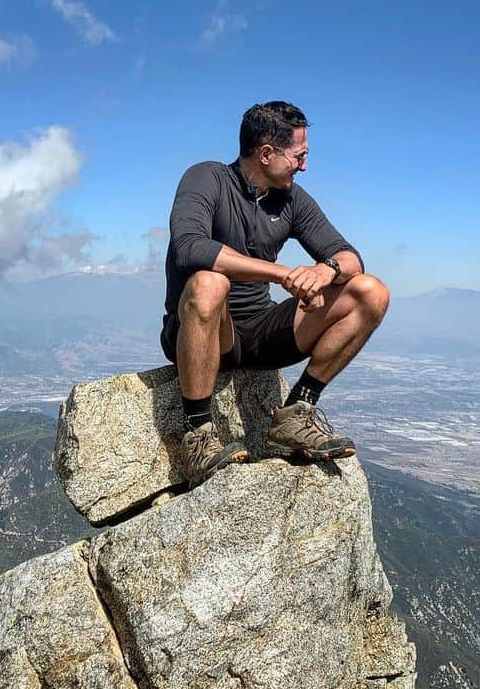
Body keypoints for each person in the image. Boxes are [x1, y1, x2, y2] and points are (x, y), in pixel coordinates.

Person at [161, 100, 390, 482]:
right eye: (299, 156)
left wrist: (323, 270)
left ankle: (296, 413)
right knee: (209, 282)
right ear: (266, 154)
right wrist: (283, 274)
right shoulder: (207, 178)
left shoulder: (291, 199)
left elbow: (351, 257)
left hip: (261, 331)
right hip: (205, 328)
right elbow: (189, 246)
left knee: (371, 293)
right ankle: (198, 435)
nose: (304, 165)